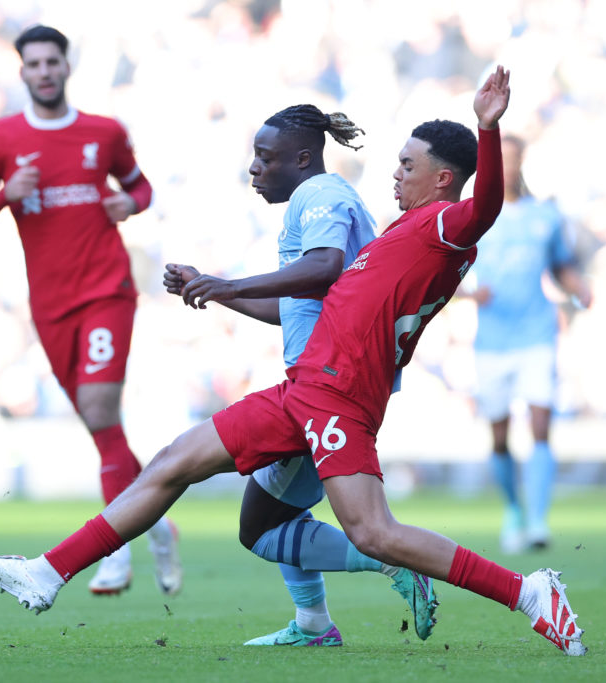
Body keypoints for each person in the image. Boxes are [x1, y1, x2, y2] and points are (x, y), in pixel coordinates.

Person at [0, 66, 588, 657]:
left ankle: (528, 592)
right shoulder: (399, 233)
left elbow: (485, 211)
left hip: (340, 397)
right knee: (173, 463)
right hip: (303, 390)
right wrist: (222, 291)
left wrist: (487, 126)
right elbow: (312, 300)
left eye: (407, 165)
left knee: (374, 533)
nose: (395, 174)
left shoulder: (445, 227)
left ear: (444, 179)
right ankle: (48, 572)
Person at [162, 104, 436, 647]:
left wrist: (230, 284)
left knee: (260, 530)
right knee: (276, 516)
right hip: (324, 385)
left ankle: (396, 562)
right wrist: (214, 290)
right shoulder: (314, 202)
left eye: (265, 157)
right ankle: (314, 623)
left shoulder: (323, 197)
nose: (255, 168)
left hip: (327, 391)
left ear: (303, 158)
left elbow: (326, 265)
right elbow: (298, 301)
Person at [0, 25, 181, 597]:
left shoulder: (102, 133)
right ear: (23, 72)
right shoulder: (4, 138)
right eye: (34, 63)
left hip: (106, 292)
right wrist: (6, 193)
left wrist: (129, 202)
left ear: (66, 67)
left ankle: (115, 552)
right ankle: (159, 527)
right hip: (50, 307)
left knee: (101, 407)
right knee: (104, 432)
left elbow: (141, 188)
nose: (45, 71)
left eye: (53, 61)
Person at [465, 134, 593, 553]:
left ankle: (538, 520)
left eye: (511, 159)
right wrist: (469, 295)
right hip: (492, 340)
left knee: (540, 426)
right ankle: (514, 509)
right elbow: (448, 270)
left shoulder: (544, 216)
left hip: (537, 333)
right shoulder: (475, 216)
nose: (505, 168)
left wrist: (580, 288)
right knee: (499, 436)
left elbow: (560, 266)